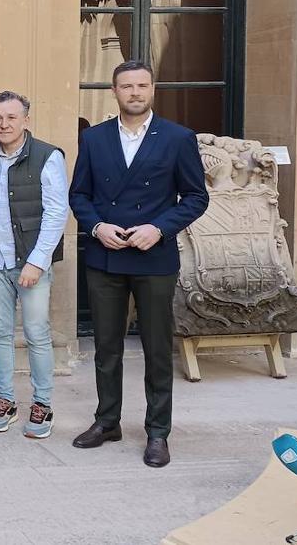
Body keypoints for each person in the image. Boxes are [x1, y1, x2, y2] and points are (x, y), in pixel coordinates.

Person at [69, 60, 207, 468]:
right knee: (106, 347)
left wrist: (159, 228)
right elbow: (80, 196)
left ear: (153, 89)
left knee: (157, 349)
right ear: (114, 92)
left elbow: (196, 198)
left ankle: (158, 432)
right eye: (126, 86)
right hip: (106, 255)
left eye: (142, 85)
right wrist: (96, 227)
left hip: (154, 257)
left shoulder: (179, 138)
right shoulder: (93, 139)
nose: (134, 92)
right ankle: (107, 420)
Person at [0, 91, 68, 438]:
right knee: (0, 334)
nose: (4, 124)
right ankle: (5, 400)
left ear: (25, 120)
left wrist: (38, 261)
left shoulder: (47, 156)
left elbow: (57, 212)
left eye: (11, 117)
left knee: (36, 334)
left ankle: (42, 404)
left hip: (31, 263)